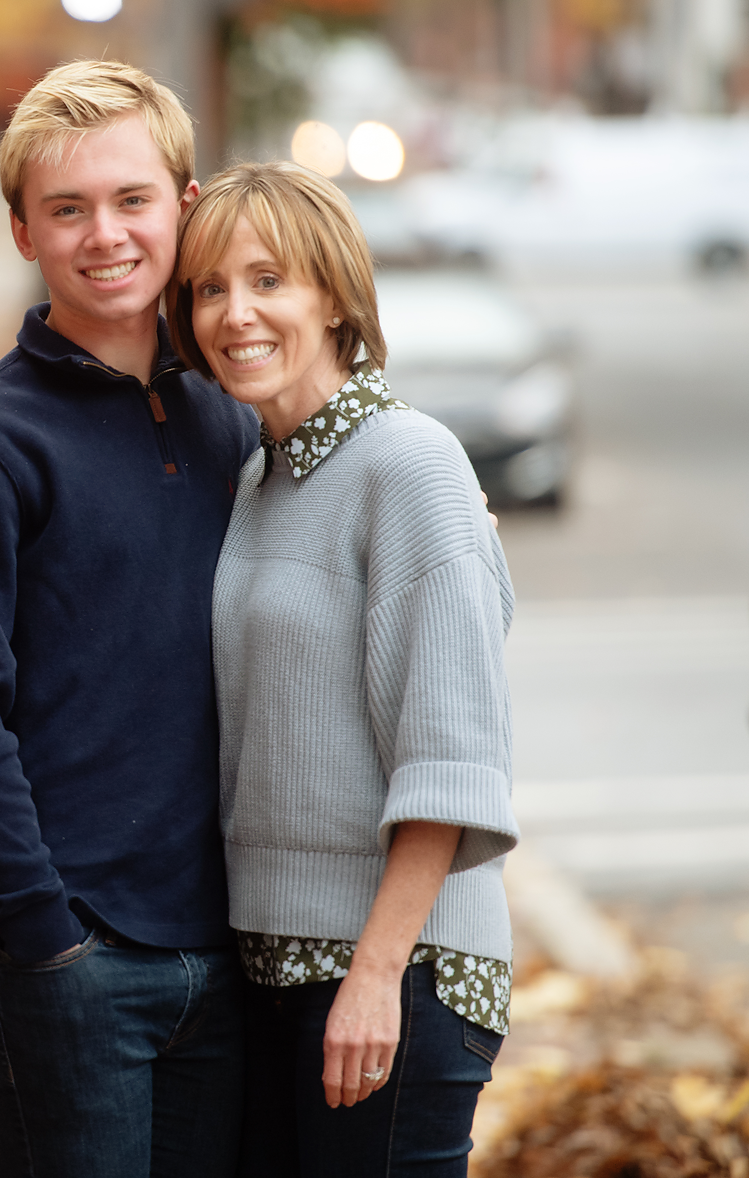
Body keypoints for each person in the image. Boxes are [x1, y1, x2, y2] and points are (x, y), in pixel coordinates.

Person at [0, 60, 262, 1177]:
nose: (103, 234)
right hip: (64, 956)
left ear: (182, 208)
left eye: (130, 200)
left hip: (225, 946)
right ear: (20, 232)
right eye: (67, 209)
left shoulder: (229, 417)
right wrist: (46, 934)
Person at [167, 161, 518, 1174]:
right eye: (208, 289)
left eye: (267, 280)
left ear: (333, 297)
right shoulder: (252, 474)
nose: (235, 314)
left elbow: (445, 753)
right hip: (268, 968)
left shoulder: (407, 462)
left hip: (395, 973)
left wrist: (373, 978)